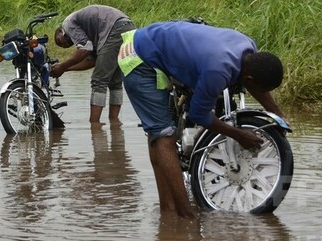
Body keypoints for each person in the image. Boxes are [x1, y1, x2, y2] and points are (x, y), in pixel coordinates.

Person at [118, 20, 286, 217]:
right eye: (260, 88)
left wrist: (278, 116)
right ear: (249, 79)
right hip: (138, 56)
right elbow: (201, 115)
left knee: (159, 134)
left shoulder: (249, 48)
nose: (261, 92)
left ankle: (168, 207)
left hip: (162, 41)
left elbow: (256, 86)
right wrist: (239, 135)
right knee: (164, 136)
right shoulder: (218, 69)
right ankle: (185, 215)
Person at [50, 5, 136, 123]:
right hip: (128, 26)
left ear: (61, 31)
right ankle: (114, 122)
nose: (64, 45)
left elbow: (85, 49)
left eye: (60, 41)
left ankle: (94, 124)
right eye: (62, 47)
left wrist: (62, 66)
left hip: (115, 28)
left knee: (98, 80)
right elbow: (92, 61)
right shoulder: (90, 36)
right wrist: (66, 69)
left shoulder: (68, 24)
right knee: (115, 82)